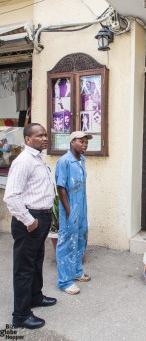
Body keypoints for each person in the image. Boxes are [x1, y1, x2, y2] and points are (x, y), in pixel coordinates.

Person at [3, 123, 56, 329]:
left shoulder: (38, 159)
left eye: (45, 135)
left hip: (41, 218)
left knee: (36, 261)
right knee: (24, 268)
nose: (44, 138)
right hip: (29, 220)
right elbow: (11, 196)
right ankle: (21, 315)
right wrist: (29, 221)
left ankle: (35, 296)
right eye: (39, 135)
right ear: (28, 139)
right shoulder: (23, 161)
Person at [55, 131, 92, 295]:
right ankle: (64, 281)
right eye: (81, 142)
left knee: (80, 237)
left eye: (86, 142)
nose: (84, 145)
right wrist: (69, 211)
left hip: (82, 206)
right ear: (72, 143)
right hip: (70, 207)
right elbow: (61, 187)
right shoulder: (64, 161)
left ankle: (76, 271)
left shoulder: (81, 160)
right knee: (66, 241)